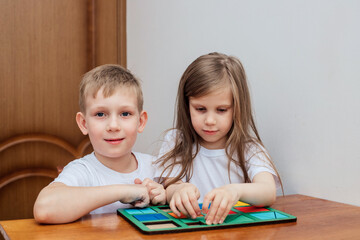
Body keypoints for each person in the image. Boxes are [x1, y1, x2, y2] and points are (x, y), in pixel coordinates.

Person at [156, 52, 282, 225]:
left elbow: (268, 192)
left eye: (221, 110)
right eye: (200, 109)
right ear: (187, 106)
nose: (209, 121)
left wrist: (234, 191)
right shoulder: (176, 140)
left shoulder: (250, 149)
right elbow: (170, 185)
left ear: (237, 108)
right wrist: (179, 190)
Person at [34, 64, 166, 224]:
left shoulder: (157, 167)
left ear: (141, 121)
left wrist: (165, 196)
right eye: (100, 114)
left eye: (125, 114)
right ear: (83, 123)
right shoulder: (82, 171)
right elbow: (44, 209)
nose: (113, 126)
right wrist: (122, 191)